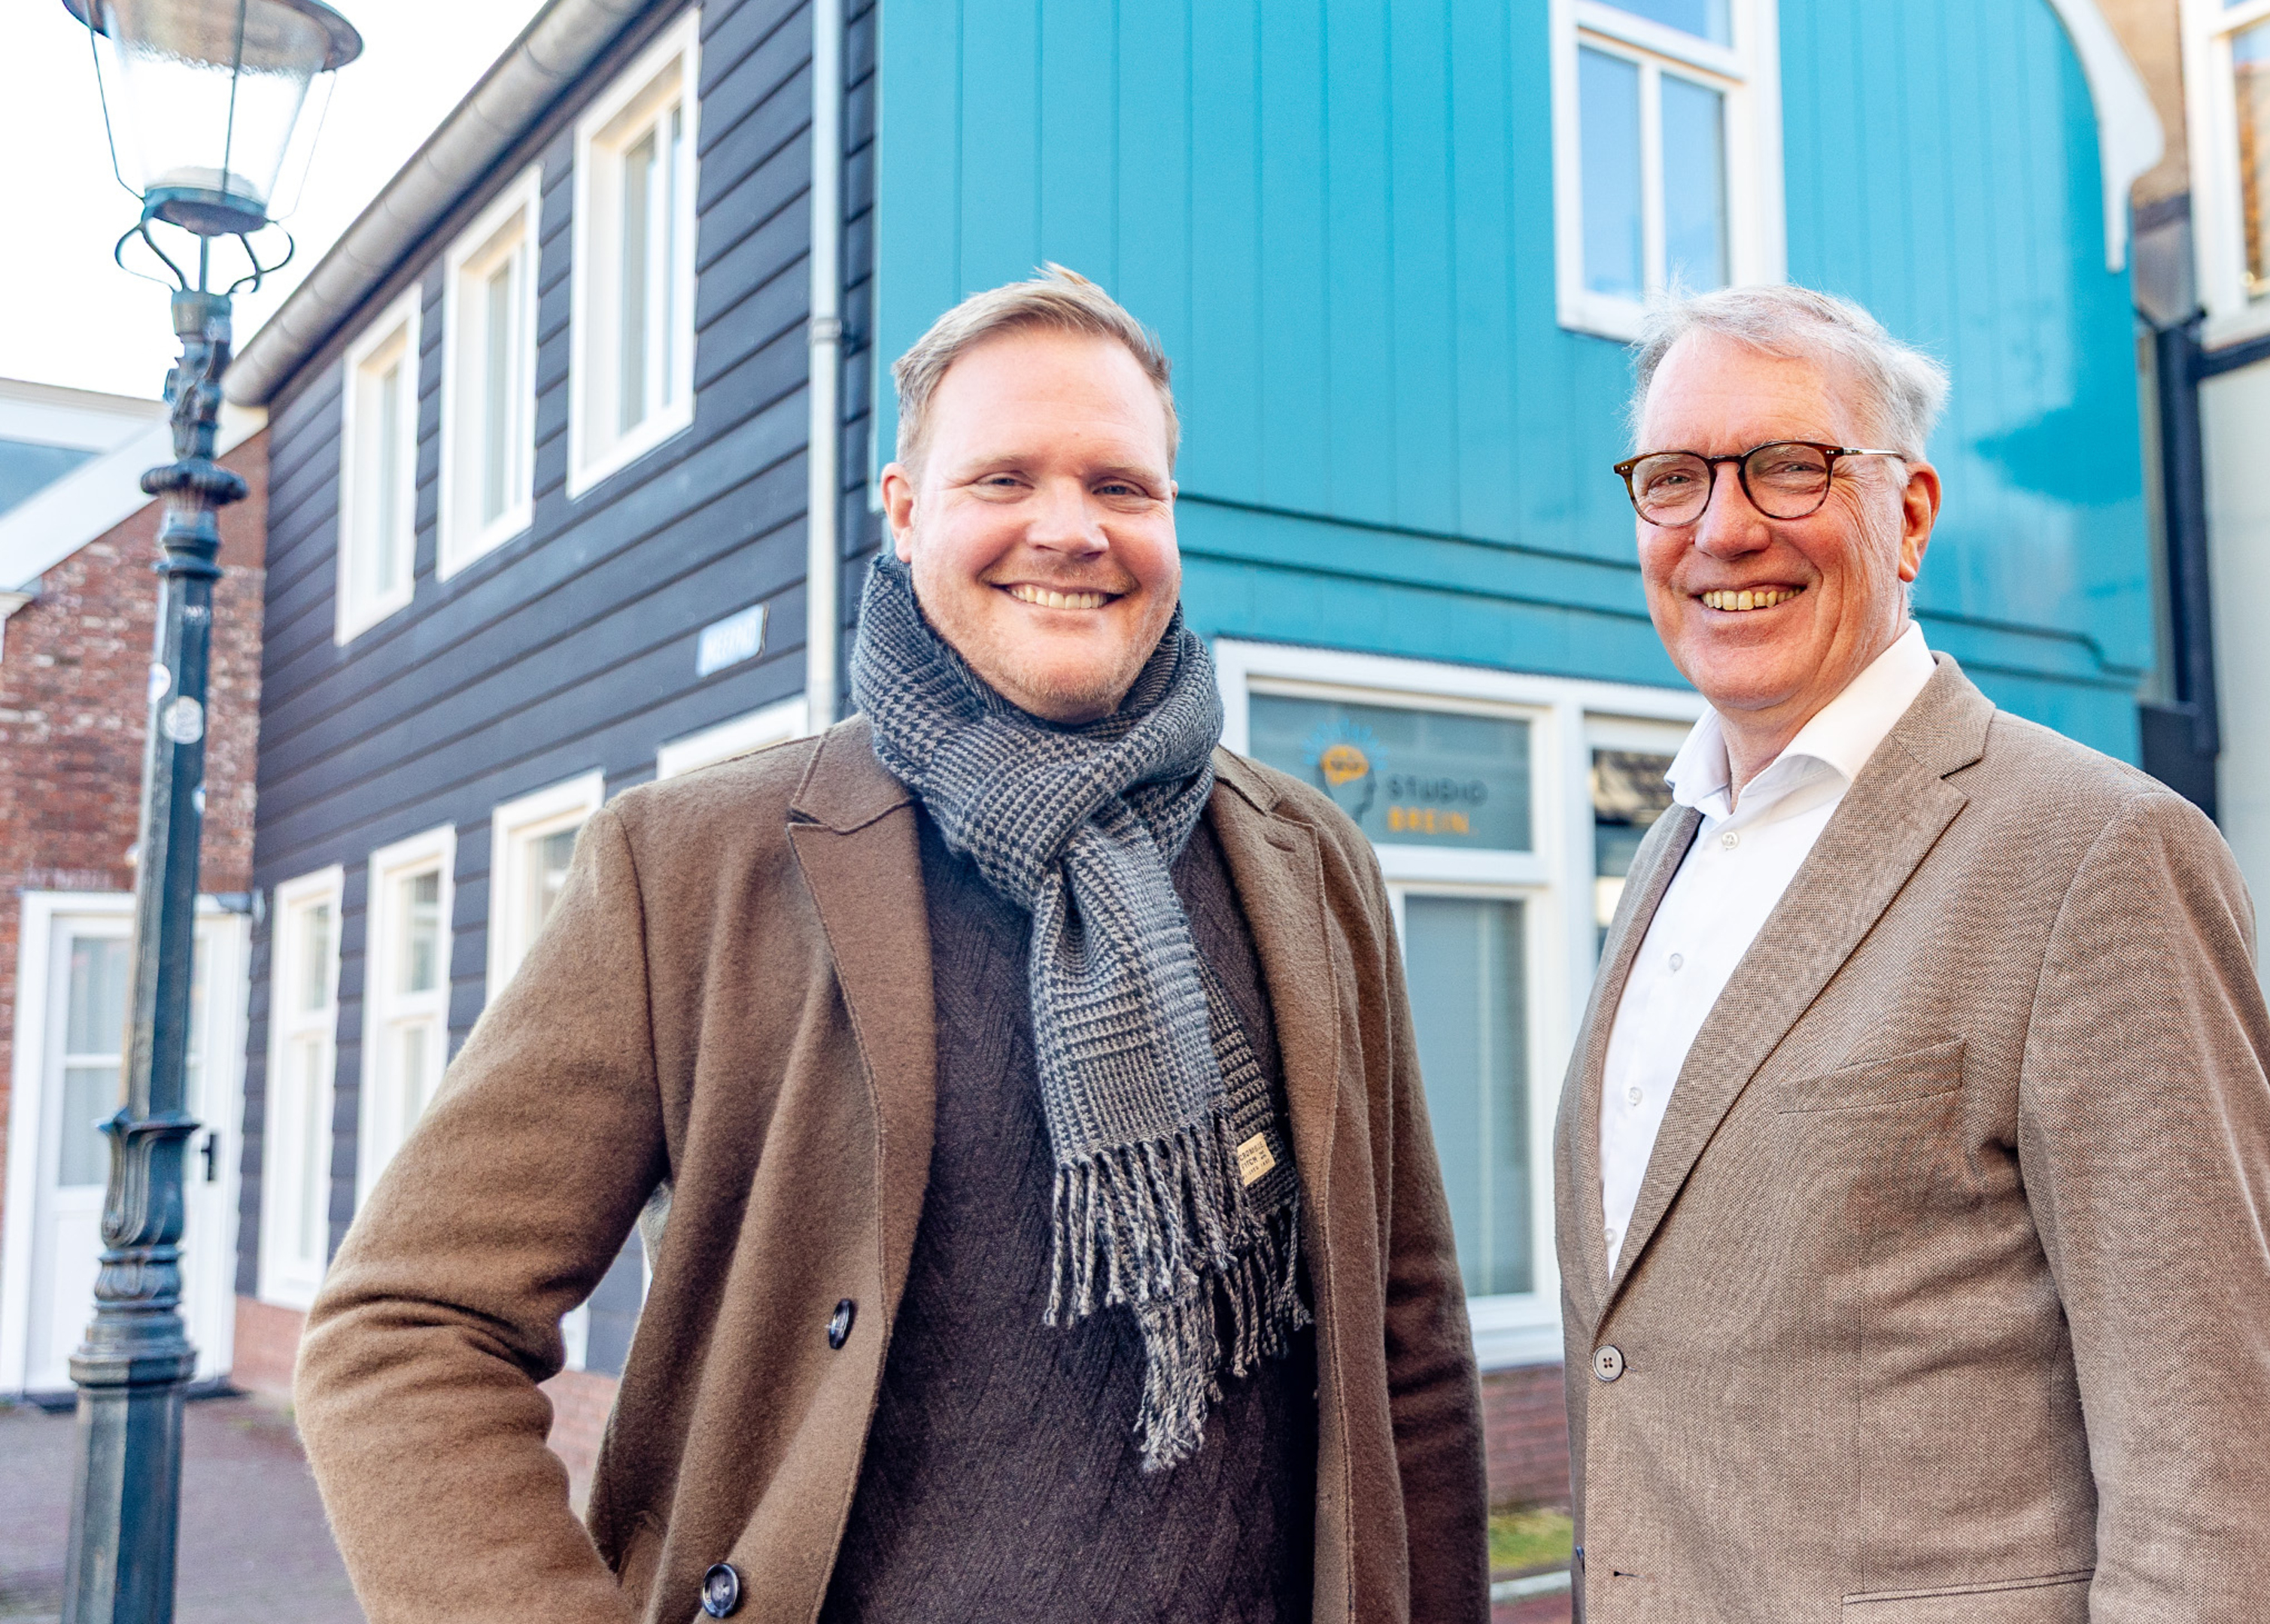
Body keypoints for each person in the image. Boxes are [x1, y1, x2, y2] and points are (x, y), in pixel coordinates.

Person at [296, 267, 1488, 1624]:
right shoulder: (696, 862)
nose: (1072, 529)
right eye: (1003, 480)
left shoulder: (1307, 859)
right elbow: (404, 1333)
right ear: (907, 510)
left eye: (1122, 487)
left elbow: (1410, 1347)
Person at [1556, 284, 2270, 1622]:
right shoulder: (1667, 856)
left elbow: (2218, 1488)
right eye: (1673, 478)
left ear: (1907, 515)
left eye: (1790, 467)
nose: (1721, 527)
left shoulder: (2098, 853)